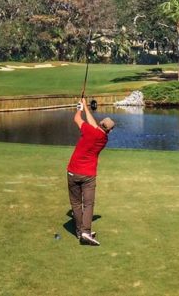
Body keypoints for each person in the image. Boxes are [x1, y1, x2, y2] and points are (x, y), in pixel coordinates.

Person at [66, 97, 115, 246]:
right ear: (109, 130)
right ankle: (85, 232)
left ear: (100, 124)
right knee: (88, 204)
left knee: (75, 203)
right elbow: (95, 127)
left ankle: (80, 232)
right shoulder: (103, 139)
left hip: (72, 171)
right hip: (88, 175)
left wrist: (80, 108)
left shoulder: (88, 130)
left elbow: (76, 118)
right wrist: (86, 107)